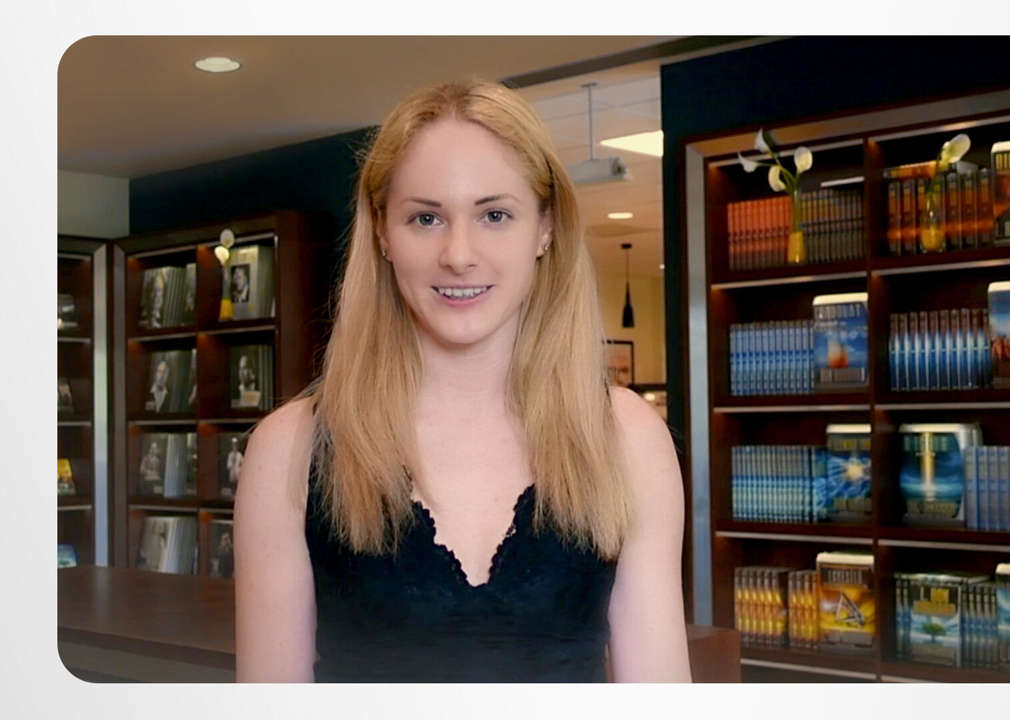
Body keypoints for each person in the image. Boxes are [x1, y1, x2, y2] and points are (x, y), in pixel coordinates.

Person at [234, 80, 689, 682]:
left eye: (494, 215)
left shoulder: (627, 437)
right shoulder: (288, 449)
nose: (458, 253)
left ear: (546, 228)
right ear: (382, 232)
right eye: (425, 218)